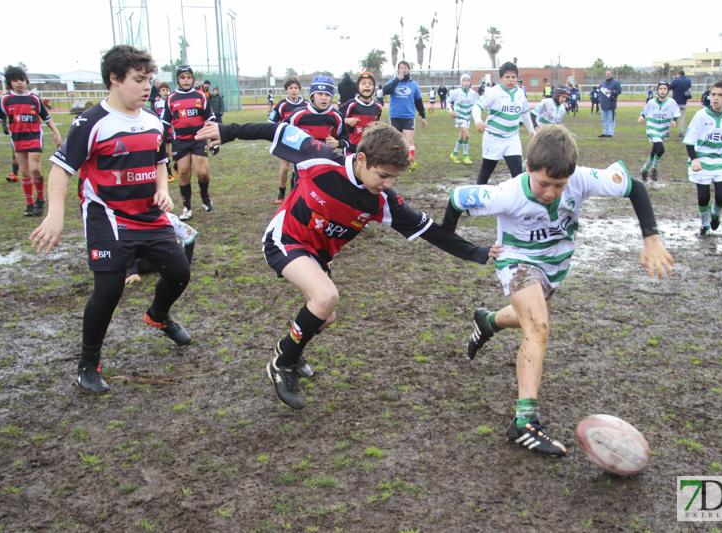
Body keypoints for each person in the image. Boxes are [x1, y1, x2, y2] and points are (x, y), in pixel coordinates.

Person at [195, 120, 499, 410]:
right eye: (382, 175)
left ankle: (287, 349)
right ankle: (282, 365)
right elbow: (277, 129)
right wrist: (228, 130)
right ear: (362, 159)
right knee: (325, 297)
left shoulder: (383, 200)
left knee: (325, 317)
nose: (388, 184)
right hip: (285, 239)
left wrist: (477, 252)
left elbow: (430, 230)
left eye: (394, 178)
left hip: (318, 255)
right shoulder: (319, 159)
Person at [442, 125, 674, 457]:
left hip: (555, 265)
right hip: (516, 261)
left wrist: (651, 237)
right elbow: (457, 197)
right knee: (537, 328)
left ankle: (488, 321)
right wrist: (453, 240)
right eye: (543, 183)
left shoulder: (580, 178)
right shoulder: (506, 194)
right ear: (527, 168)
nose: (551, 192)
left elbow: (634, 187)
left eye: (559, 185)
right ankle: (525, 421)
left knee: (529, 319)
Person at [29, 45, 192, 393]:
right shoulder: (91, 122)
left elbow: (159, 163)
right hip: (108, 218)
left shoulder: (152, 121)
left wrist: (164, 189)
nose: (147, 87)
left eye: (149, 79)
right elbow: (60, 170)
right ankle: (88, 364)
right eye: (138, 80)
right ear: (114, 80)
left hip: (149, 215)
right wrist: (55, 215)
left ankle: (158, 316)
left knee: (180, 272)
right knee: (109, 288)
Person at [0, 65, 62, 216]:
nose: (20, 83)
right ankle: (29, 203)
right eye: (15, 80)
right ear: (10, 83)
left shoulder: (34, 99)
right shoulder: (5, 100)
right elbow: (0, 117)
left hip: (34, 137)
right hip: (17, 139)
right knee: (25, 173)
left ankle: (40, 198)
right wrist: (4, 126)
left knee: (35, 169)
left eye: (22, 79)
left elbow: (46, 118)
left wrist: (56, 132)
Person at [683, 80, 722, 236]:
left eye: (720, 95)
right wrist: (694, 159)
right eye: (713, 94)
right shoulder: (700, 115)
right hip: (702, 161)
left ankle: (715, 214)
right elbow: (689, 140)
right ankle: (704, 225)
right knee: (703, 197)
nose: (715, 98)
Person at [161, 65, 216, 221]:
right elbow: (165, 122)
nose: (186, 80)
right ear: (178, 79)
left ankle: (204, 195)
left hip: (199, 139)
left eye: (189, 77)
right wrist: (162, 143)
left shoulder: (201, 97)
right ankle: (187, 207)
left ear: (193, 79)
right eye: (182, 77)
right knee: (184, 173)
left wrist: (214, 141)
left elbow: (210, 119)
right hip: (180, 142)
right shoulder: (171, 98)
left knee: (202, 173)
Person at [472, 61, 533, 185]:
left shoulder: (520, 93)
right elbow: (476, 107)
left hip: (512, 139)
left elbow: (525, 112)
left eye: (513, 77)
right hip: (493, 138)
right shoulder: (493, 92)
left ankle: (519, 200)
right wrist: (478, 121)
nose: (510, 80)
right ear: (500, 78)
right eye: (507, 77)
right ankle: (476, 199)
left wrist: (532, 130)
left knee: (518, 174)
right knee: (486, 172)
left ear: (517, 78)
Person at [288, 76, 350, 170]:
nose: (324, 98)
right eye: (320, 94)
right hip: (303, 168)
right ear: (312, 96)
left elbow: (346, 141)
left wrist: (337, 143)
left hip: (326, 167)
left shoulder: (337, 116)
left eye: (327, 94)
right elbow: (286, 138)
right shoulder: (297, 115)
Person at [126, 211, 197, 285]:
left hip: (170, 252)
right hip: (148, 255)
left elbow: (190, 234)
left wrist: (186, 265)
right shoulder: (134, 221)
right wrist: (133, 272)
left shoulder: (170, 219)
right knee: (141, 265)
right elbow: (129, 247)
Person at [383, 60, 426, 172]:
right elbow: (385, 90)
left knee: (409, 139)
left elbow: (418, 101)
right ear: (398, 70)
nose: (403, 69)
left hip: (408, 116)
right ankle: (396, 161)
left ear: (409, 70)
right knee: (396, 140)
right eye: (401, 67)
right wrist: (397, 79)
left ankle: (411, 161)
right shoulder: (393, 81)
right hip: (395, 116)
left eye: (405, 67)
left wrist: (423, 116)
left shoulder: (413, 85)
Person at [269, 76, 307, 204]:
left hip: (301, 142)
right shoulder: (282, 105)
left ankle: (294, 192)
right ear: (286, 90)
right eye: (291, 88)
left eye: (296, 88)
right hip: (286, 140)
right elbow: (271, 122)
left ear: (299, 89)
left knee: (299, 167)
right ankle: (281, 191)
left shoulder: (306, 104)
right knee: (285, 168)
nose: (294, 90)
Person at [637, 81, 680, 182]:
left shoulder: (672, 102)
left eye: (665, 89)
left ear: (668, 90)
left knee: (654, 151)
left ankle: (644, 169)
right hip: (652, 128)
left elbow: (676, 113)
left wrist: (674, 121)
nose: (662, 91)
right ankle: (654, 169)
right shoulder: (651, 102)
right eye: (661, 89)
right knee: (660, 149)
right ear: (658, 90)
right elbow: (644, 111)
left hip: (663, 130)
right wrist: (642, 117)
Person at [339, 72, 382, 154]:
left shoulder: (378, 106)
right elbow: (337, 119)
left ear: (373, 87)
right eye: (363, 83)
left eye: (370, 84)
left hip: (369, 147)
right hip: (351, 147)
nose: (367, 85)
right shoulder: (350, 104)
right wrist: (347, 120)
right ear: (358, 87)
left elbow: (377, 121)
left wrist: (376, 125)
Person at [447, 73, 478, 165]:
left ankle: (454, 153)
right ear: (461, 82)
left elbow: (475, 105)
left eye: (468, 80)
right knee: (467, 135)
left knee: (462, 136)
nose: (466, 82)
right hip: (459, 116)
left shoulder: (473, 93)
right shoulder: (456, 92)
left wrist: (474, 111)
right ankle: (466, 156)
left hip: (467, 117)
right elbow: (448, 101)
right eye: (464, 80)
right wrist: (450, 111)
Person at [154, 82, 177, 183]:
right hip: (164, 131)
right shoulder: (156, 104)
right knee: (166, 152)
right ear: (159, 92)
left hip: (174, 130)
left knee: (177, 152)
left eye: (167, 90)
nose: (165, 92)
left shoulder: (172, 101)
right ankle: (169, 174)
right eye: (163, 90)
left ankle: (177, 168)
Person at [598, 69, 622, 138]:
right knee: (604, 119)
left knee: (611, 119)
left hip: (611, 103)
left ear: (612, 74)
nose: (608, 75)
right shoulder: (603, 82)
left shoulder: (616, 82)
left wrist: (611, 92)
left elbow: (619, 91)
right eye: (607, 74)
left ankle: (610, 133)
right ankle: (605, 132)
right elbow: (600, 91)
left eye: (609, 73)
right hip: (604, 103)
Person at [670, 70, 692, 138]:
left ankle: (667, 132)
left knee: (672, 117)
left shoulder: (675, 81)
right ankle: (680, 132)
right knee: (682, 117)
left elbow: (670, 87)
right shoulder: (688, 81)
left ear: (678, 74)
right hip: (683, 101)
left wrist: (674, 80)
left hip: (675, 101)